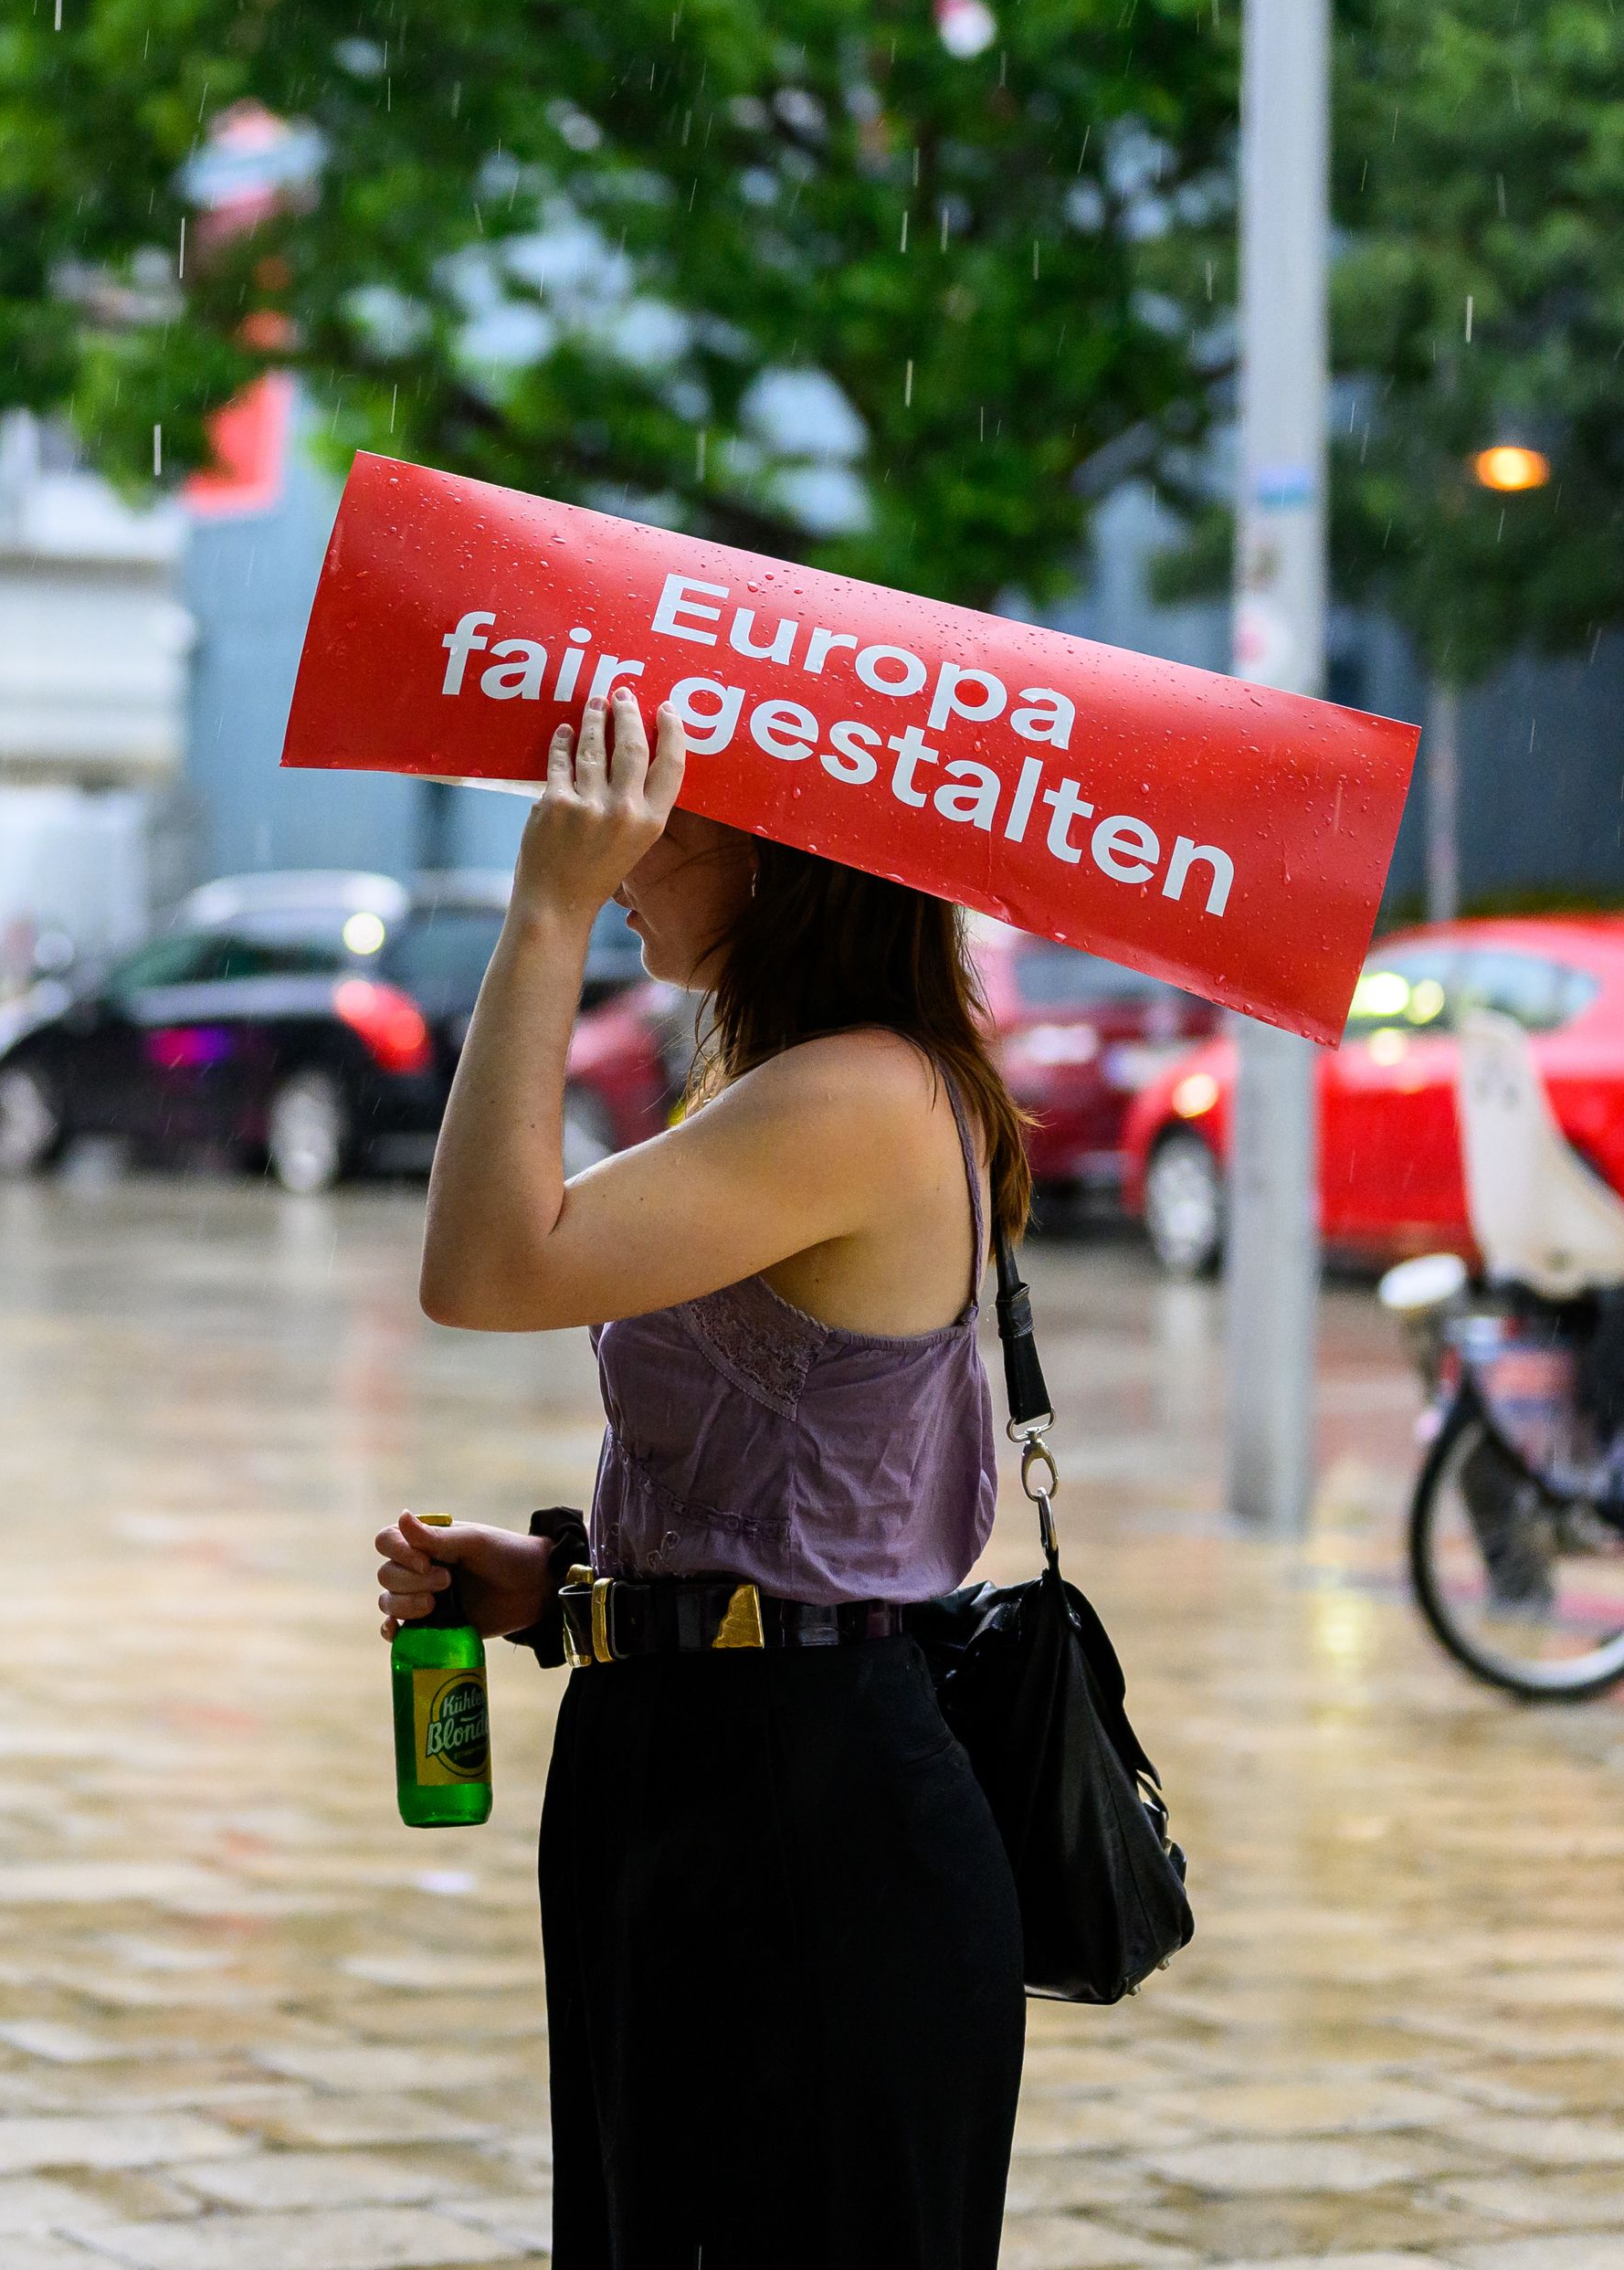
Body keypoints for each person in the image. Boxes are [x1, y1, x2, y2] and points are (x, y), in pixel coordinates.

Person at [374, 684, 1028, 2268]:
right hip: (694, 1767)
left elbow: (479, 1261)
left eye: (662, 806)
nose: (624, 834)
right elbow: (787, 1484)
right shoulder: (790, 1082)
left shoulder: (864, 1096)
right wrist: (563, 1588)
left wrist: (545, 907)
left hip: (809, 1805)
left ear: (772, 852)